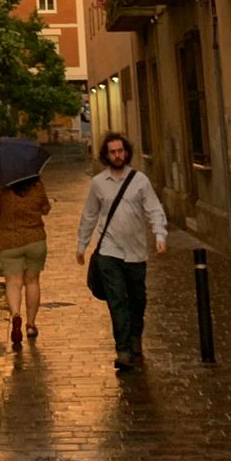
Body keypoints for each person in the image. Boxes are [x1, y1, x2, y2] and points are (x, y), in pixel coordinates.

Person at [75, 131, 166, 372]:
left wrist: (160, 234)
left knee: (138, 299)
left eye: (120, 151)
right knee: (117, 301)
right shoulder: (98, 183)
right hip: (109, 251)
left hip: (136, 252)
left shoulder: (140, 180)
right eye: (112, 152)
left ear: (126, 153)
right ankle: (123, 350)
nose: (117, 155)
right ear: (106, 155)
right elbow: (90, 215)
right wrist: (82, 245)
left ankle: (135, 336)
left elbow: (154, 209)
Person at [0, 175, 50, 347]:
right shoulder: (37, 186)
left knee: (13, 283)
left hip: (9, 242)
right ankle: (31, 325)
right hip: (35, 240)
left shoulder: (4, 188)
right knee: (32, 281)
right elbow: (45, 209)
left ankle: (16, 315)